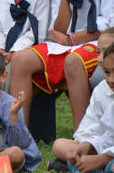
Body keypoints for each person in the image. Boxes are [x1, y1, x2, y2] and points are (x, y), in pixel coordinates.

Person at [10, 0, 114, 130]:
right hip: (64, 44)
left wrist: (70, 40)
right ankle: (19, 135)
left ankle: (82, 136)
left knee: (74, 61)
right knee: (20, 59)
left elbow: (108, 27)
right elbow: (56, 30)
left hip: (98, 45)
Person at [48, 28, 114, 172]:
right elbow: (101, 133)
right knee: (61, 146)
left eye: (107, 51)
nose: (101, 58)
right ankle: (82, 164)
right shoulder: (102, 89)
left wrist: (102, 158)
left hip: (108, 156)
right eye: (98, 52)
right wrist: (86, 146)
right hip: (102, 150)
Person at [0, 49, 41, 171]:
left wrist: (13, 115)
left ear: (3, 76)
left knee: (15, 153)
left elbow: (21, 143)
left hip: (2, 154)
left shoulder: (11, 104)